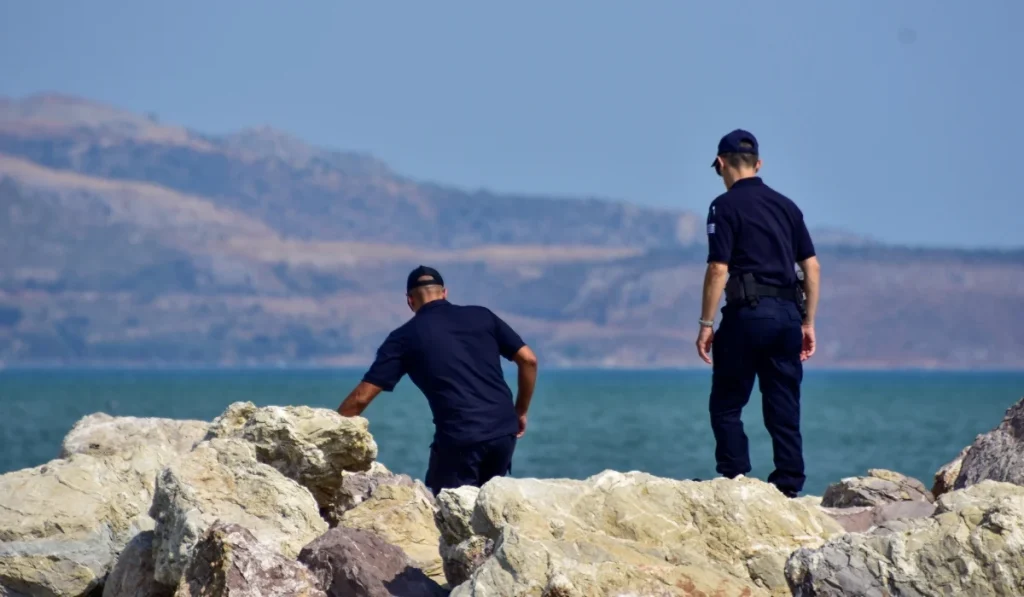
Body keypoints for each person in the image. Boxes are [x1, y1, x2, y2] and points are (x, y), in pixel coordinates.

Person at [337, 265, 539, 496]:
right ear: (444, 293)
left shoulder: (403, 338)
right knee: (486, 509)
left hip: (461, 439)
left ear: (409, 300)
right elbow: (529, 360)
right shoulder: (482, 316)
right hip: (504, 432)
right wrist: (520, 410)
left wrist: (326, 430)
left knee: (446, 515)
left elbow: (362, 397)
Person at [696, 129, 820, 498]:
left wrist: (705, 324)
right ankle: (788, 485)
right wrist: (808, 322)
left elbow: (719, 268)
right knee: (783, 404)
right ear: (759, 164)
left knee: (727, 403)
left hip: (746, 315)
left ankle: (735, 481)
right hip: (786, 316)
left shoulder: (724, 206)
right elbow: (811, 268)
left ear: (720, 164)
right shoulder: (787, 206)